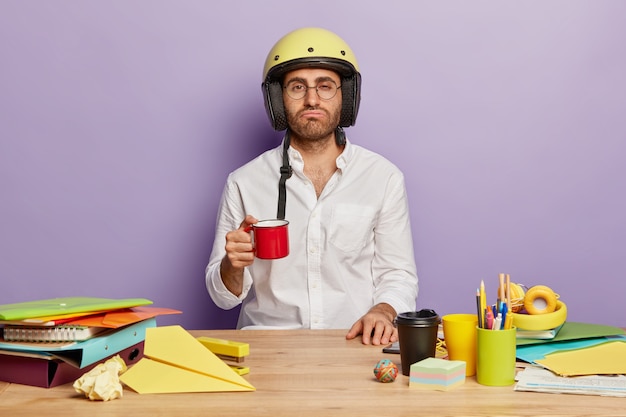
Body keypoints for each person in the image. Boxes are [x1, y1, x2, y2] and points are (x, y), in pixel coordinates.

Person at [205, 27, 418, 345]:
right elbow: (223, 298)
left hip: (353, 340)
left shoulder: (383, 177)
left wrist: (383, 311)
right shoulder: (243, 182)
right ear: (278, 99)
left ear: (346, 95)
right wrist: (231, 265)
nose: (312, 99)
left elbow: (398, 274)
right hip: (266, 347)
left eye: (325, 86)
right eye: (297, 87)